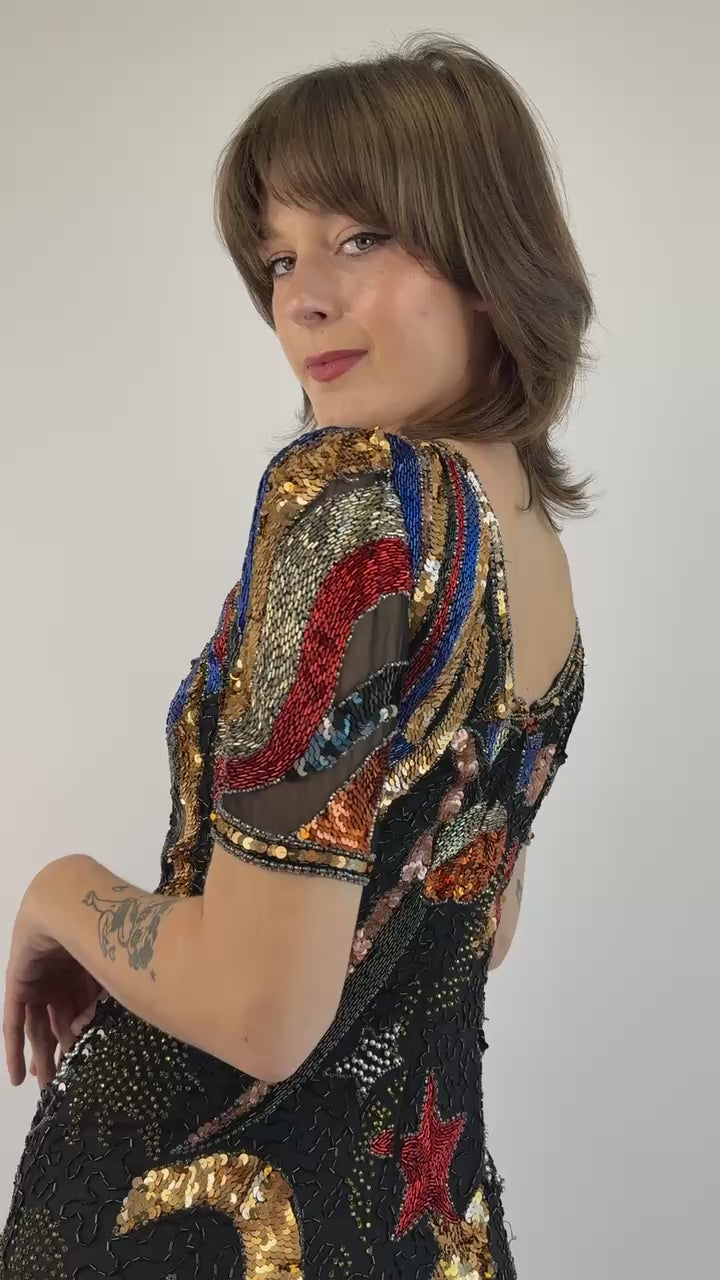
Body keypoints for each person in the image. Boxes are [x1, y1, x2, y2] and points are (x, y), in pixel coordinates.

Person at [1, 31, 594, 1279]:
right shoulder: (531, 549)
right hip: (426, 1227)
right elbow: (471, 923)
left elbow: (261, 1009)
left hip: (196, 1217)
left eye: (361, 237)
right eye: (279, 258)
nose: (302, 298)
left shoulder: (352, 503)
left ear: (491, 254)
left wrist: (61, 889)